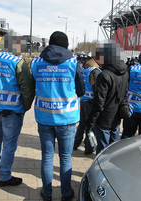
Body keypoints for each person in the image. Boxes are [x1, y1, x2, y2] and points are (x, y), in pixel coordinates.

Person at [31, 31, 85, 201]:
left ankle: (47, 194)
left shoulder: (36, 62)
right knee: (65, 158)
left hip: (44, 117)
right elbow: (81, 90)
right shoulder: (73, 62)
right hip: (67, 119)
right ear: (66, 45)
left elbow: (33, 86)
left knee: (47, 157)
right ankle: (66, 194)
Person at [0, 51, 35, 187]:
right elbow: (27, 89)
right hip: (12, 112)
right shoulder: (17, 63)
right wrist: (24, 108)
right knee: (9, 144)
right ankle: (4, 177)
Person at [85, 40, 129, 155]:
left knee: (102, 151)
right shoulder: (125, 73)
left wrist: (91, 121)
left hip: (104, 119)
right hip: (117, 118)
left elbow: (99, 102)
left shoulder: (104, 75)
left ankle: (100, 170)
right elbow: (125, 96)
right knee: (114, 150)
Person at [73, 57, 101, 155]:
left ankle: (75, 143)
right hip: (91, 102)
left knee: (82, 124)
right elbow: (97, 89)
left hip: (84, 101)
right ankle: (89, 148)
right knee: (91, 126)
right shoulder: (95, 71)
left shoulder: (85, 69)